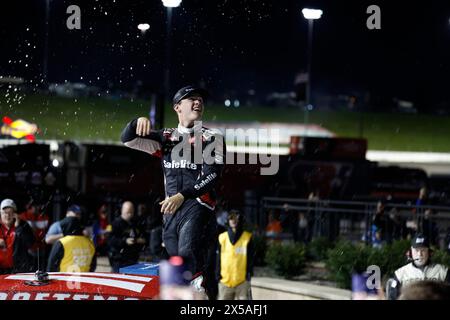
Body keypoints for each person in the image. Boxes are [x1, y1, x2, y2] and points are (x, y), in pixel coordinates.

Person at [121, 85, 225, 299]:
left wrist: (183, 195)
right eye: (191, 99)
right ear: (177, 107)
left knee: (192, 265)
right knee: (175, 269)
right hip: (171, 213)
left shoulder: (212, 137)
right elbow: (128, 140)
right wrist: (136, 122)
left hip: (199, 208)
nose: (198, 102)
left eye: (200, 100)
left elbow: (213, 175)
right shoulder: (166, 137)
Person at [386, 234, 450, 300]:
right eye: (416, 250)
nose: (420, 254)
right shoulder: (400, 274)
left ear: (429, 252)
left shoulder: (443, 272)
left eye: (423, 250)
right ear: (411, 252)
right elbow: (392, 297)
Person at [216, 210, 254, 300]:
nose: (233, 220)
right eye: (231, 218)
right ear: (228, 220)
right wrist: (217, 275)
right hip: (225, 281)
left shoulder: (247, 237)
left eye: (236, 218)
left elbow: (251, 258)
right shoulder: (222, 237)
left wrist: (249, 274)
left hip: (242, 281)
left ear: (240, 220)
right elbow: (217, 259)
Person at [108, 201, 147, 272]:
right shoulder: (115, 223)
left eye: (131, 212)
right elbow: (110, 240)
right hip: (119, 259)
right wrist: (125, 241)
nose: (130, 214)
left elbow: (142, 235)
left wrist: (140, 240)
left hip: (132, 258)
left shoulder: (135, 223)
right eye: (127, 212)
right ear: (122, 211)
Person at [0, 199, 35, 274]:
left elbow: (30, 243)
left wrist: (18, 227)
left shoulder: (23, 225)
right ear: (0, 214)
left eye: (10, 212)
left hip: (18, 269)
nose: (7, 215)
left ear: (15, 214)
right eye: (5, 213)